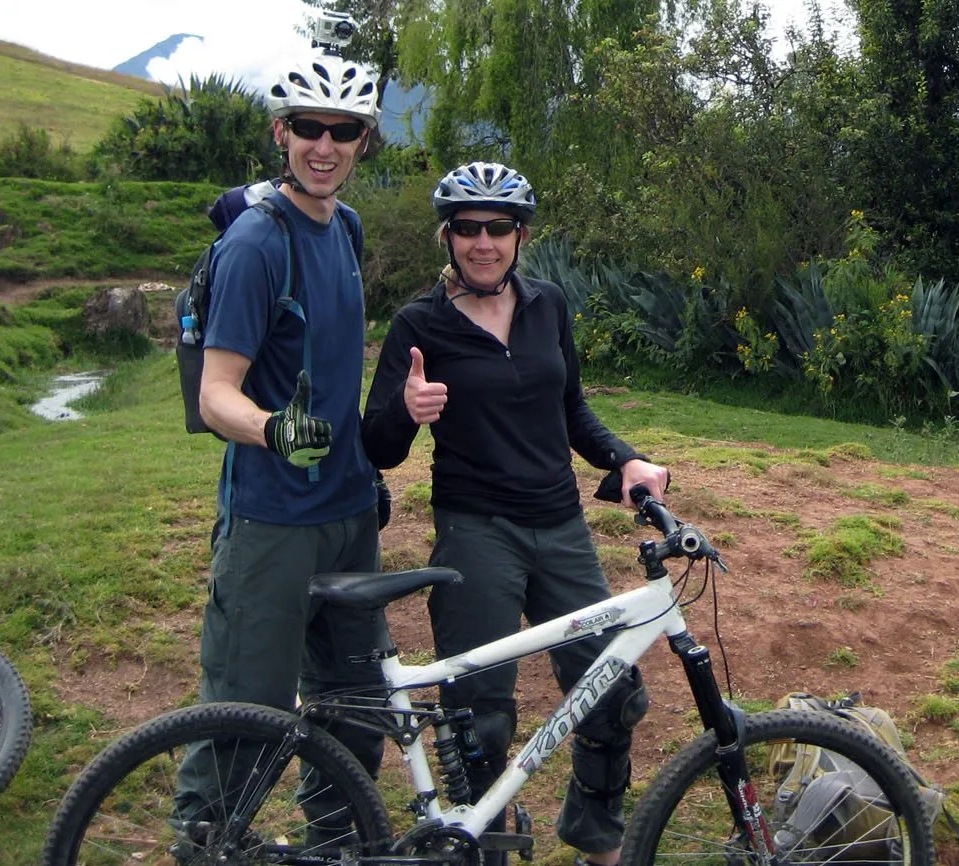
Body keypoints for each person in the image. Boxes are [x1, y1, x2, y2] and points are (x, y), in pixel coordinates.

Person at [360, 162, 669, 866]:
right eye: (467, 229)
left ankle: (596, 839)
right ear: (448, 237)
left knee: (610, 691)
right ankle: (484, 849)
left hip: (559, 522)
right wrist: (406, 414)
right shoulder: (420, 323)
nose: (483, 242)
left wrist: (625, 459)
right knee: (480, 720)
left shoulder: (547, 305)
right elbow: (375, 445)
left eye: (499, 228)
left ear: (521, 235)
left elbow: (571, 410)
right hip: (476, 530)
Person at [172, 50, 385, 855]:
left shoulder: (347, 228)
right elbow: (216, 394)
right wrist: (273, 428)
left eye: (343, 130)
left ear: (363, 140)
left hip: (348, 511)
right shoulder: (258, 244)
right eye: (308, 128)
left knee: (354, 700)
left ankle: (337, 840)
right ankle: (204, 842)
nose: (323, 146)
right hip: (271, 518)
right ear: (280, 132)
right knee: (247, 707)